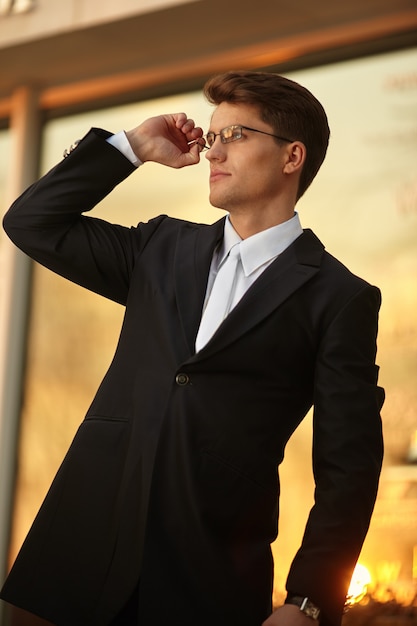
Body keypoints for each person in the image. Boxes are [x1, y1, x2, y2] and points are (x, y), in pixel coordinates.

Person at [1, 71, 384, 626]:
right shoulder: (159, 246)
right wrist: (131, 147)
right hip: (81, 563)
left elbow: (349, 464)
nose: (211, 151)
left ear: (291, 156)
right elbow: (31, 222)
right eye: (212, 135)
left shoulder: (339, 298)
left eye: (236, 136)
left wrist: (310, 600)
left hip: (209, 578)